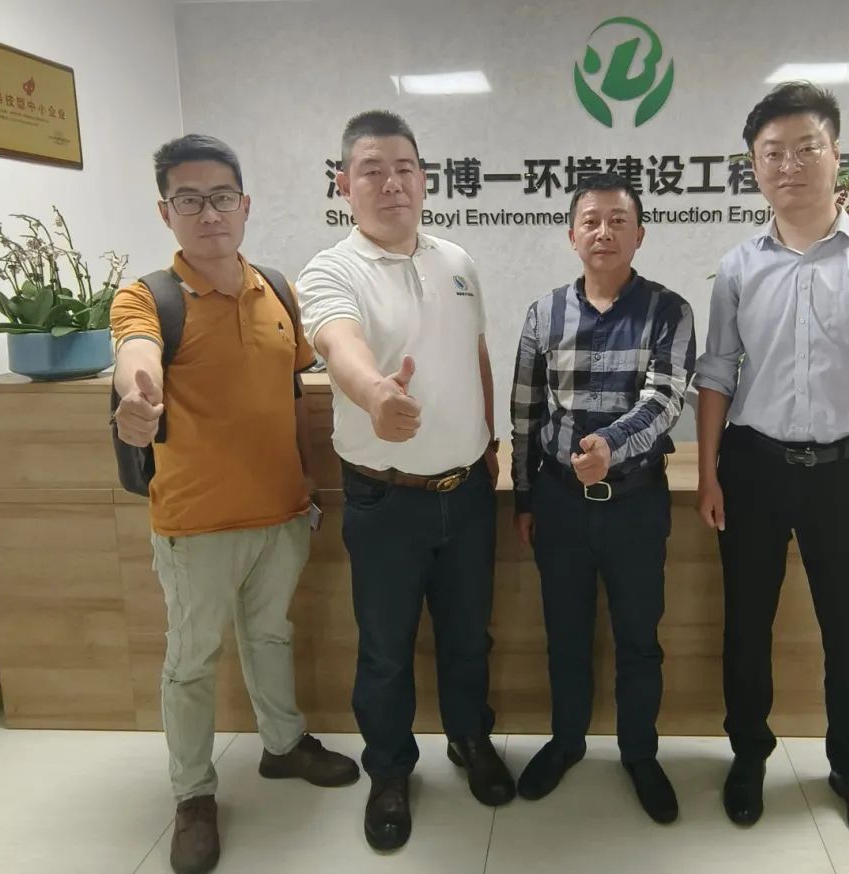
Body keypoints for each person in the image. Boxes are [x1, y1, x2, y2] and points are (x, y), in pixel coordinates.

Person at [694, 82, 849, 854]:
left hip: (846, 470)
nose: (790, 165)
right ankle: (748, 755)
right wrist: (709, 473)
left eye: (807, 148)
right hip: (753, 466)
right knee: (746, 622)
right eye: (772, 153)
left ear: (837, 156)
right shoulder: (738, 267)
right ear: (754, 167)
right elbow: (718, 373)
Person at [110, 134, 358, 874]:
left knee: (271, 636)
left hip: (282, 516)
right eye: (189, 200)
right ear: (166, 211)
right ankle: (193, 795)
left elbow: (292, 395)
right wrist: (137, 397)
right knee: (190, 663)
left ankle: (283, 746)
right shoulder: (147, 297)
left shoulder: (277, 289)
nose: (209, 213)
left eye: (221, 197)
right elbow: (136, 353)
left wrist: (307, 486)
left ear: (244, 204)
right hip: (196, 525)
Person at [296, 110, 513, 852]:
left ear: (424, 178)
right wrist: (374, 395)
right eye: (372, 170)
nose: (391, 184)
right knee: (385, 648)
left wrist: (489, 441)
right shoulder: (331, 270)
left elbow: (477, 356)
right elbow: (339, 345)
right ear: (343, 184)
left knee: (468, 635)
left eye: (404, 169)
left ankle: (469, 739)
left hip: (468, 490)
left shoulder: (458, 261)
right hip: (384, 497)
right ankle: (389, 770)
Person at [509, 173, 696, 824]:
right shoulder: (544, 314)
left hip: (636, 503)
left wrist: (608, 447)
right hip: (560, 504)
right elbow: (526, 413)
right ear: (572, 236)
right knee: (565, 634)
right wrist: (524, 497)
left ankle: (639, 753)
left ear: (639, 234)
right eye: (590, 220)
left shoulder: (669, 310)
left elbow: (666, 398)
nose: (604, 232)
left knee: (639, 639)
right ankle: (566, 743)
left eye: (618, 220)